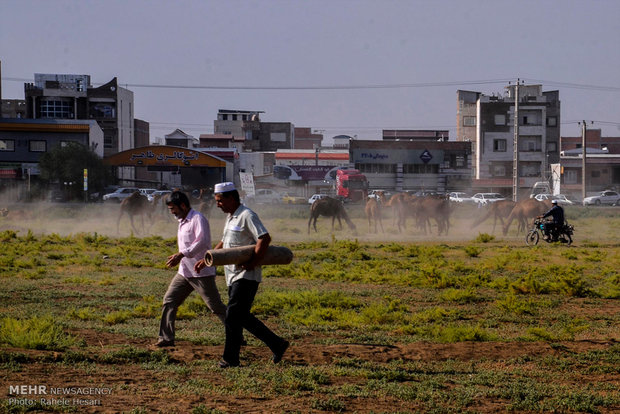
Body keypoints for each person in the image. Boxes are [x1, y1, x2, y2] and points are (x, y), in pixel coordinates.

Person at [195, 182, 289, 368]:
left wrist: (252, 263)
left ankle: (230, 359)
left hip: (246, 276)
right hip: (232, 275)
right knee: (241, 317)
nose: (218, 204)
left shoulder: (247, 215)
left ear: (231, 198)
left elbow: (264, 238)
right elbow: (224, 242)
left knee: (232, 316)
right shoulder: (231, 218)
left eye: (220, 201)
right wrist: (210, 257)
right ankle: (277, 344)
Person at [155, 190, 227, 347]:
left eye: (173, 208)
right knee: (169, 301)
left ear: (183, 205)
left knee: (216, 307)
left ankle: (237, 335)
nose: (172, 212)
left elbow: (202, 242)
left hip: (201, 272)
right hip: (184, 272)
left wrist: (181, 255)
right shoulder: (182, 221)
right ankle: (166, 339)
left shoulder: (197, 219)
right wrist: (181, 258)